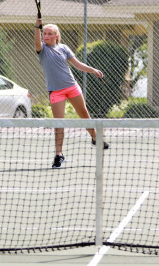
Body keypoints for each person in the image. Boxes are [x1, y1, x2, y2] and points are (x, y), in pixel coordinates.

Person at [35, 15, 108, 169]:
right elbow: (37, 41)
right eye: (44, 33)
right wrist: (37, 26)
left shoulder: (64, 48)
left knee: (84, 115)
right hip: (56, 92)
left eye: (49, 33)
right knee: (59, 123)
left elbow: (77, 64)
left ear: (56, 36)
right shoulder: (42, 50)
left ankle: (95, 138)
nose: (46, 36)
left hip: (72, 87)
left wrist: (92, 70)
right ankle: (59, 154)